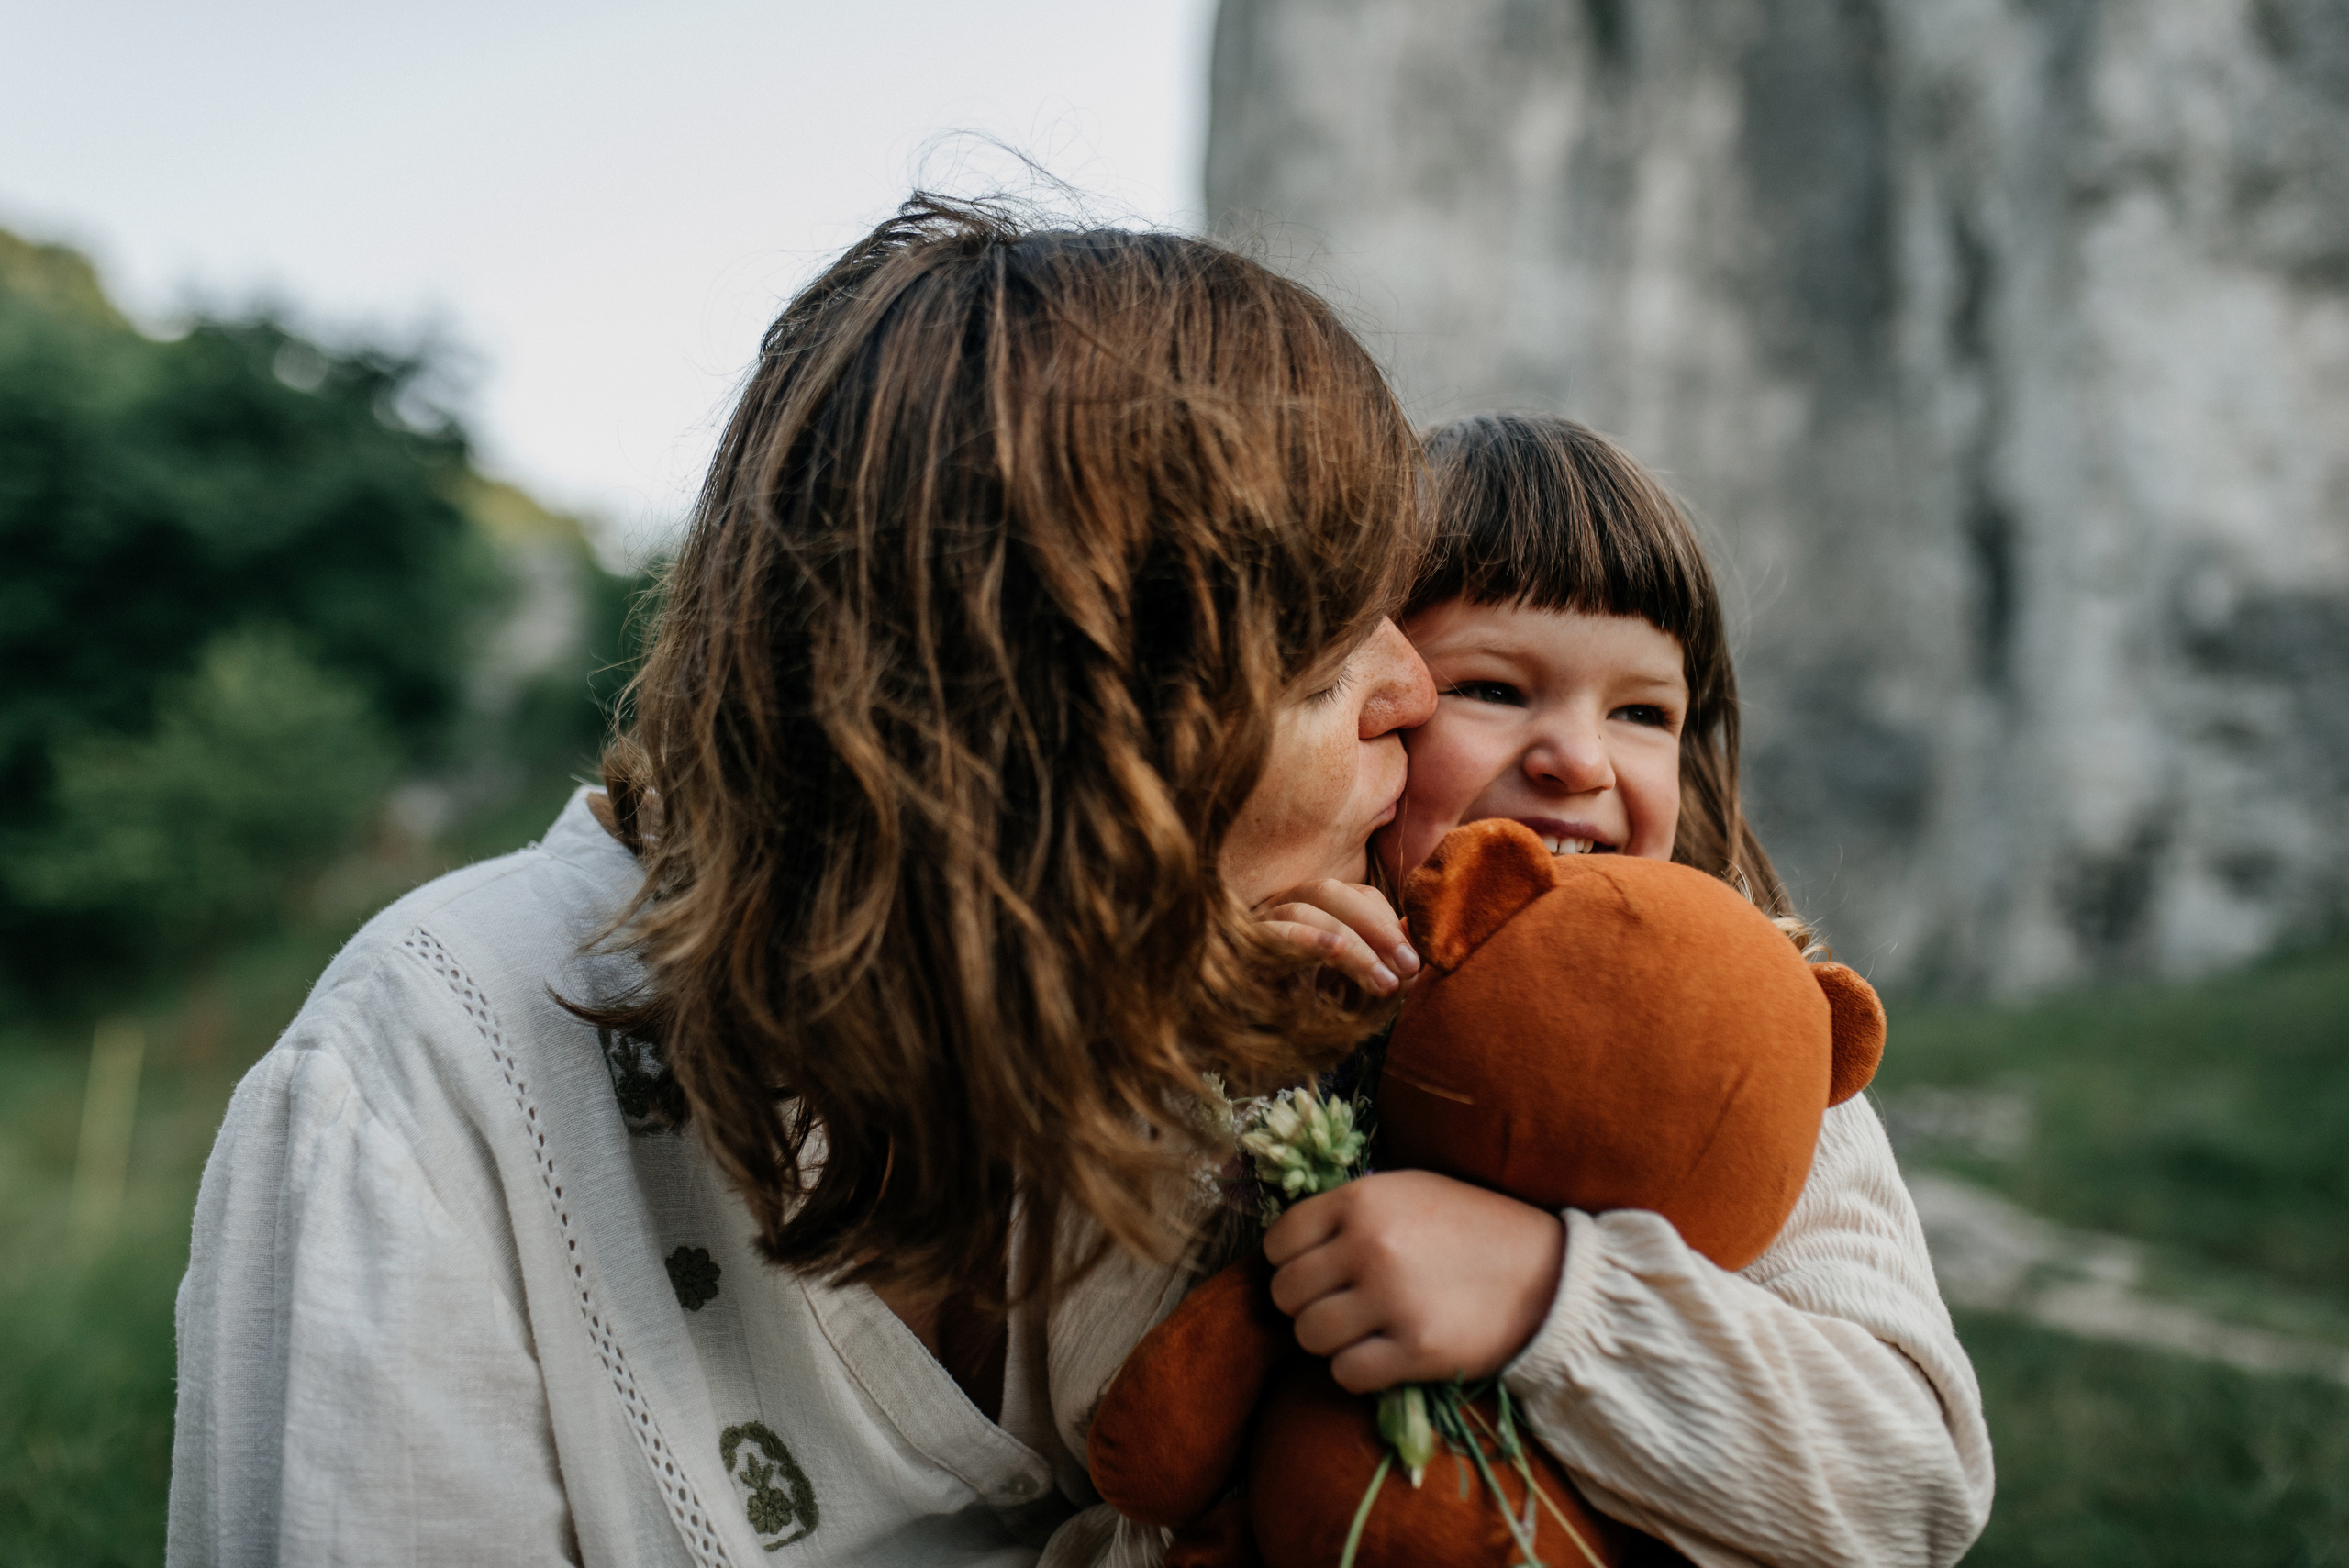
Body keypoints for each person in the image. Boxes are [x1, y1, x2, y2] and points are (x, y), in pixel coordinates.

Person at [165, 195, 1436, 1567]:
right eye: (1317, 660)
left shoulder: (1294, 1039)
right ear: (1043, 721)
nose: (1414, 689)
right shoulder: (427, 1084)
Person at [1254, 413, 1996, 1567]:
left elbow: (1913, 1491)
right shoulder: (1257, 1007)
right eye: (1495, 686)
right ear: (1376, 708)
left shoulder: (1753, 1058)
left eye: (1642, 711)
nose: (1582, 760)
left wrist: (1556, 1303)